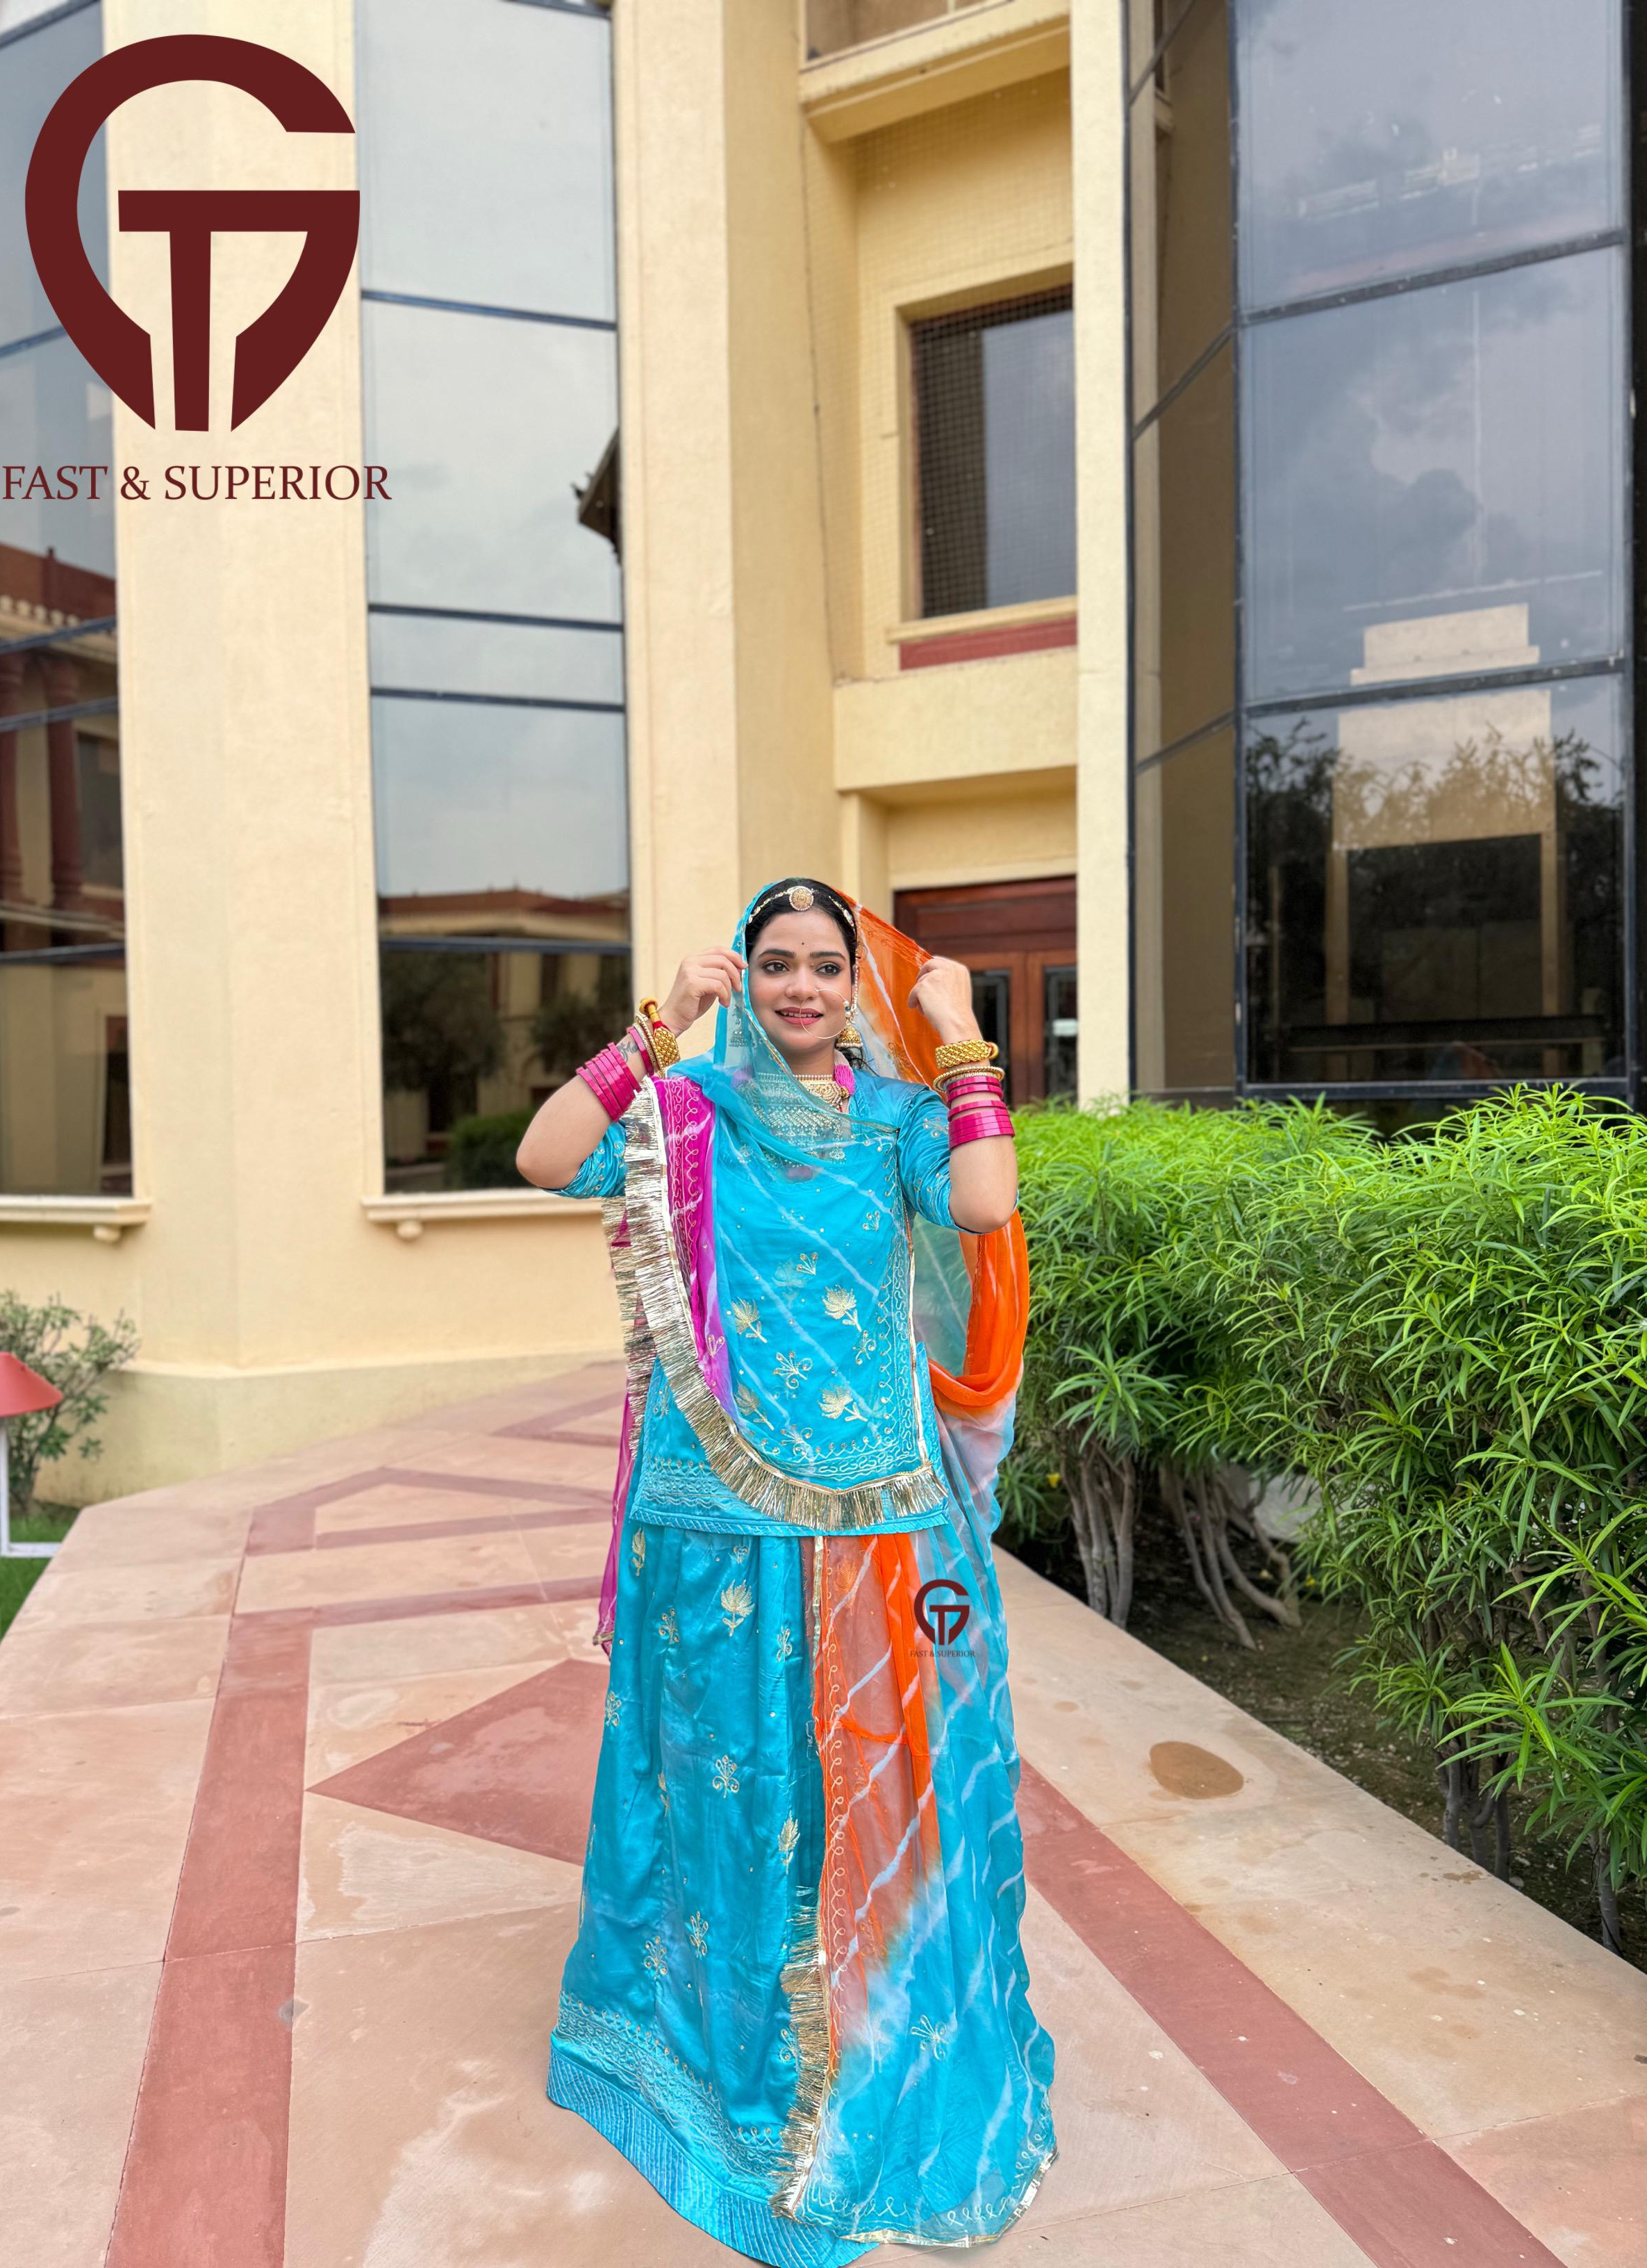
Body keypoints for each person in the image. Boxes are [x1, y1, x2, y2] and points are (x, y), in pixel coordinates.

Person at [518, 877, 1057, 2265]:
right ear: (743, 977)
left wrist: (962, 1033)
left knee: (891, 1767)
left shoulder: (898, 1119)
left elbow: (986, 1202)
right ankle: (717, 2057)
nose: (803, 988)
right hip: (711, 1518)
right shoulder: (686, 1111)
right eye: (776, 965)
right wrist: (656, 1027)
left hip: (883, 1526)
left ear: (853, 984)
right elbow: (544, 1154)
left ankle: (875, 2032)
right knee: (724, 1780)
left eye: (825, 965)